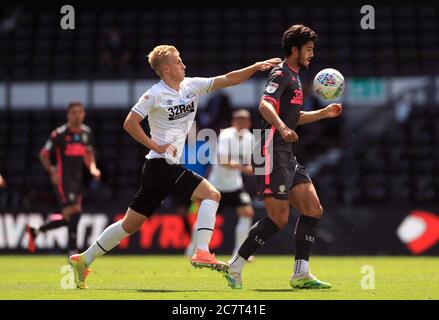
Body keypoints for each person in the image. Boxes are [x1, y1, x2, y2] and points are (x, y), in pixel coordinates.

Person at [68, 45, 281, 289]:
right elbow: (130, 122)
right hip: (161, 164)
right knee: (212, 194)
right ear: (167, 69)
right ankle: (202, 250)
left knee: (130, 224)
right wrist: (154, 144)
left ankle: (83, 259)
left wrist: (254, 68)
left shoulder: (192, 85)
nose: (184, 65)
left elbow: (227, 79)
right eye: (179, 62)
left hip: (157, 168)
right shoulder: (154, 94)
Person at [224, 25, 343, 290]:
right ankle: (235, 265)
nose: (312, 54)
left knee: (313, 209)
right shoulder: (281, 73)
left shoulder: (297, 77)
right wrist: (282, 127)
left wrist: (324, 113)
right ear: (294, 50)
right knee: (279, 218)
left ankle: (301, 274)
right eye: (309, 50)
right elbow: (264, 104)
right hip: (269, 149)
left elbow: (295, 117)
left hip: (286, 153)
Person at [25, 102, 101, 255]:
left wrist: (92, 167)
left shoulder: (86, 133)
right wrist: (52, 171)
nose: (77, 115)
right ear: (68, 115)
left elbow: (88, 153)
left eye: (80, 112)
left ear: (84, 114)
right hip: (63, 180)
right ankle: (72, 251)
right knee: (75, 211)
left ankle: (37, 231)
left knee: (71, 217)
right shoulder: (59, 134)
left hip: (77, 180)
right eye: (73, 112)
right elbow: (43, 154)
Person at [186, 109, 255, 259]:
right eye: (239, 119)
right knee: (205, 217)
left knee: (247, 212)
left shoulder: (250, 138)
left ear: (249, 123)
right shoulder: (226, 135)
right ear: (233, 122)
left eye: (245, 120)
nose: (242, 122)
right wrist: (244, 168)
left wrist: (252, 167)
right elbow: (223, 161)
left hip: (235, 185)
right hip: (216, 186)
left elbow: (249, 161)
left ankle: (239, 252)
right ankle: (193, 248)